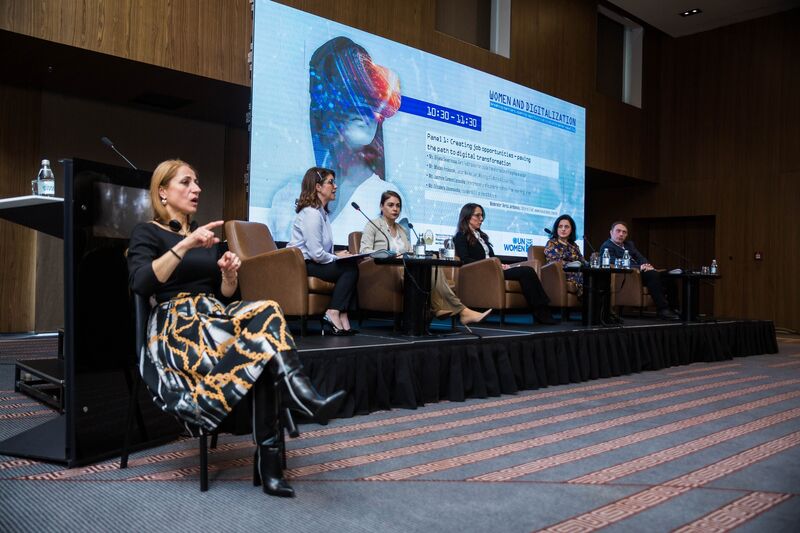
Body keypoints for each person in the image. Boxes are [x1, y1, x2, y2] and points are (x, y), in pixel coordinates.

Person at [127, 159, 346, 498]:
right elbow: (141, 283)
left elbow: (224, 295)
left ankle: (295, 408)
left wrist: (229, 275)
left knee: (268, 313)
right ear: (163, 192)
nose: (196, 188)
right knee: (261, 346)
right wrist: (184, 244)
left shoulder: (207, 237)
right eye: (185, 183)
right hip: (177, 327)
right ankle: (285, 432)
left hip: (214, 316)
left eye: (197, 182)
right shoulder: (148, 232)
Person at [308, 36, 402, 242]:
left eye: (372, 101)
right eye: (350, 99)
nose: (366, 113)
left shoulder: (387, 195)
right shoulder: (289, 200)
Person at [360, 191, 491, 325]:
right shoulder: (373, 225)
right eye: (390, 205)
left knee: (431, 261)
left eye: (398, 206)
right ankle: (458, 311)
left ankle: (440, 308)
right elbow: (364, 252)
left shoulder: (402, 229)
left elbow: (410, 251)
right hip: (386, 271)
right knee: (426, 271)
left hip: (406, 269)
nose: (395, 209)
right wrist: (388, 253)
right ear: (381, 206)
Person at [453, 203, 556, 325]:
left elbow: (491, 257)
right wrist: (490, 265)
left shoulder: (481, 236)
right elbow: (465, 260)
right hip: (482, 272)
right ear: (467, 216)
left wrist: (500, 265)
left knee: (527, 270)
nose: (481, 219)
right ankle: (541, 311)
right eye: (478, 215)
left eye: (482, 216)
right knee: (526, 271)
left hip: (494, 269)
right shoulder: (461, 236)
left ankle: (541, 310)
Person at [286, 167, 359, 335]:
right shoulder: (311, 214)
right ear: (318, 187)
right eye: (331, 182)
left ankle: (343, 315)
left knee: (350, 263)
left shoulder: (321, 213)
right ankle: (332, 312)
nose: (335, 187)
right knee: (349, 269)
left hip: (313, 261)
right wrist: (336, 258)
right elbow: (317, 254)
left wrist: (338, 255)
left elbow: (322, 249)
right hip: (303, 265)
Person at [600, 221, 679, 320]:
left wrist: (646, 265)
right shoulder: (607, 246)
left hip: (642, 273)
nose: (621, 234)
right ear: (611, 232)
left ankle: (674, 308)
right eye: (618, 231)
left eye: (624, 232)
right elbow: (613, 262)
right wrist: (639, 267)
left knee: (669, 275)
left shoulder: (629, 245)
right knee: (652, 275)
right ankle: (663, 310)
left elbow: (640, 257)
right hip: (630, 276)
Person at [543, 214, 585, 297]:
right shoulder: (552, 243)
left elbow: (582, 261)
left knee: (593, 276)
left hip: (575, 272)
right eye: (560, 226)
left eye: (566, 227)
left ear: (571, 230)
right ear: (556, 229)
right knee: (582, 277)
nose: (563, 229)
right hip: (560, 274)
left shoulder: (574, 245)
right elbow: (556, 262)